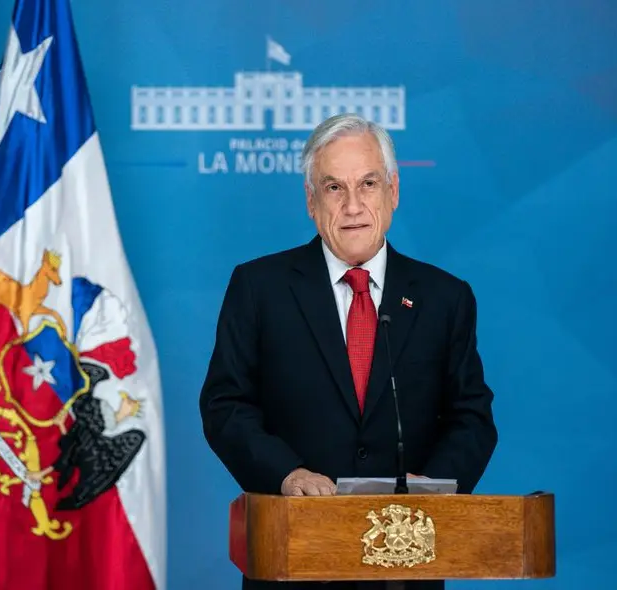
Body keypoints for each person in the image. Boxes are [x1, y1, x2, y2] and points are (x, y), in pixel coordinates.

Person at [199, 114, 498, 590]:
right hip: (295, 556)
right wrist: (286, 475)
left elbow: (472, 416)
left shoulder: (445, 297)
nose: (354, 205)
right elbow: (225, 406)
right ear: (311, 201)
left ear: (394, 191)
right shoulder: (259, 288)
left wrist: (432, 489)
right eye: (335, 187)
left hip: (407, 561)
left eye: (369, 184)